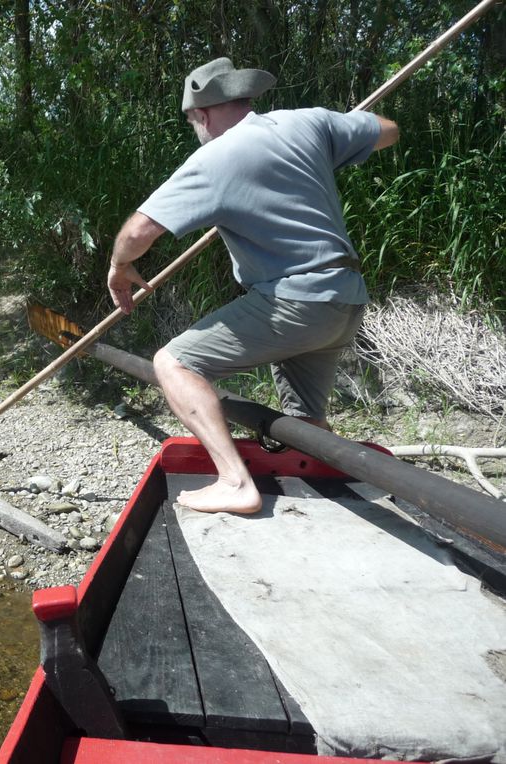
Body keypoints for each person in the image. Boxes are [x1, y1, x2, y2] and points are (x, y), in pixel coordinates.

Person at [107, 57, 399, 515]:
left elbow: (137, 233)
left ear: (201, 115)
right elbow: (388, 130)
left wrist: (119, 266)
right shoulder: (308, 123)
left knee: (175, 363)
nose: (195, 130)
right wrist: (336, 138)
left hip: (295, 303)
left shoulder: (214, 158)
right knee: (305, 422)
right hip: (346, 299)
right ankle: (318, 472)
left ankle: (235, 482)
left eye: (191, 122)